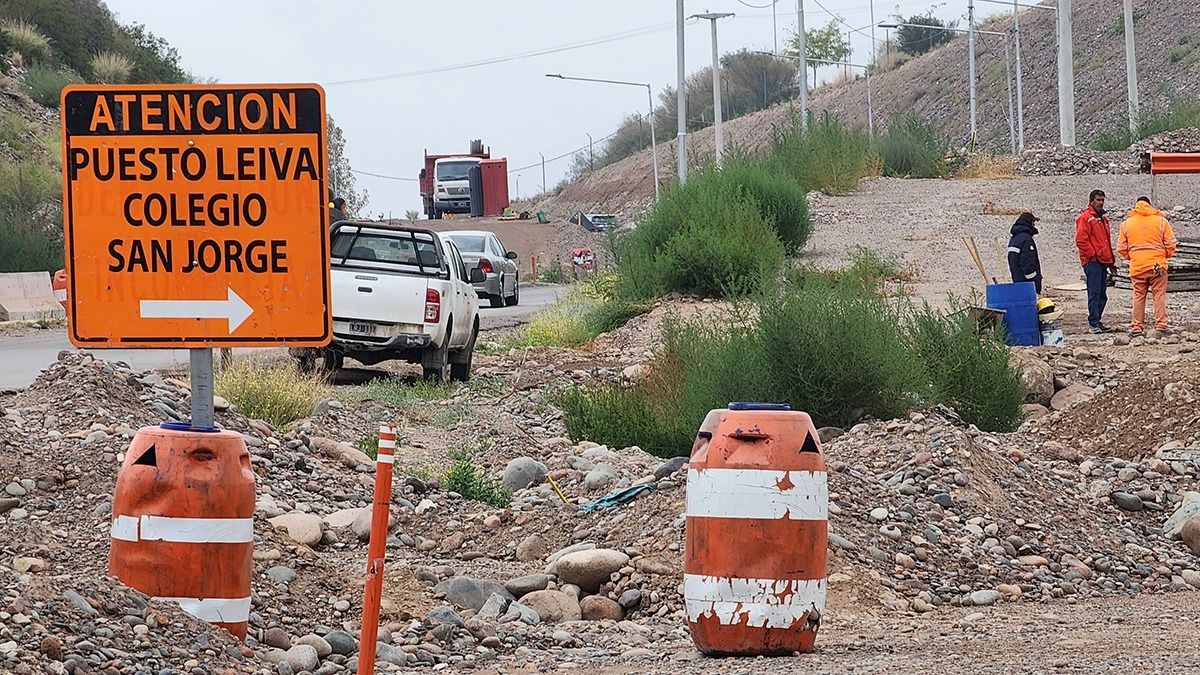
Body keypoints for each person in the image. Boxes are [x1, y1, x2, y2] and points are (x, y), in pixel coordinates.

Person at [1117, 196, 1177, 337]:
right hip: (1157, 266)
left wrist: (1133, 257)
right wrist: (1164, 256)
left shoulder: (1126, 224)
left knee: (1138, 296)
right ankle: (1161, 325)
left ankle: (1137, 327)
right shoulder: (1161, 221)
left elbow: (1121, 248)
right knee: (1159, 296)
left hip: (1138, 266)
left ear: (1136, 206)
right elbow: (1171, 244)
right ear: (1150, 206)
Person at [1075, 189, 1117, 333]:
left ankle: (1097, 320)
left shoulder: (1103, 218)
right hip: (1093, 261)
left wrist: (1110, 261)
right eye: (1098, 200)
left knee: (1101, 294)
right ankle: (1093, 322)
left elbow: (1106, 241)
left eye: (1102, 200)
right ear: (1091, 201)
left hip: (1102, 260)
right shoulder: (1085, 218)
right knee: (1094, 292)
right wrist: (1093, 255)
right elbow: (1081, 240)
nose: (1101, 203)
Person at [1007, 211, 1042, 294]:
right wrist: (1035, 280)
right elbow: (1028, 263)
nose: (1034, 225)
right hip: (1028, 285)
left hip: (1018, 282)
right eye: (1033, 222)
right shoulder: (1026, 240)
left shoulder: (1014, 239)